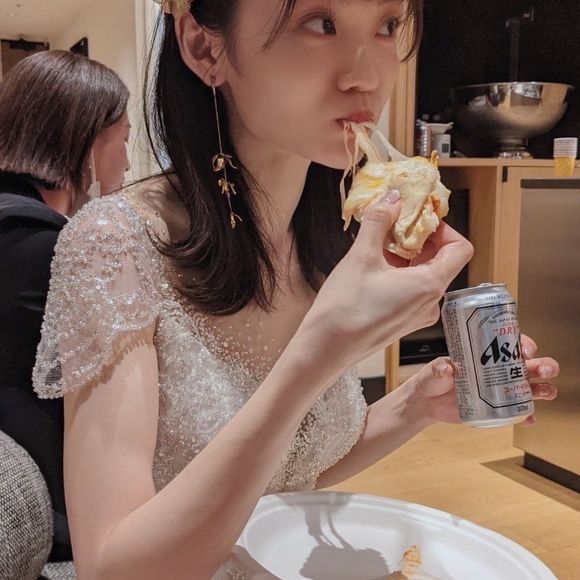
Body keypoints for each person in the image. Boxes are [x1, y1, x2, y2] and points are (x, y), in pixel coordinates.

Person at [32, 2, 558, 578]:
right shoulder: (115, 244)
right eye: (320, 23)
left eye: (386, 27)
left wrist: (417, 405)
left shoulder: (332, 235)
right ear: (205, 48)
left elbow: (290, 470)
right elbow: (111, 570)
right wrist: (319, 354)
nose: (366, 75)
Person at [0, 49, 130, 563]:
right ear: (88, 142)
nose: (128, 161)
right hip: (56, 514)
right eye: (124, 139)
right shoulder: (41, 244)